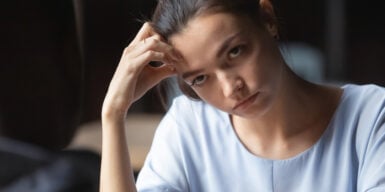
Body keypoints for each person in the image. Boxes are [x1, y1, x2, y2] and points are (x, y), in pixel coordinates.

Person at [99, 0, 385, 191]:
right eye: (199, 78)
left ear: (267, 19)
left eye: (235, 52)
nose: (229, 88)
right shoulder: (188, 127)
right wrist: (113, 114)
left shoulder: (371, 117)